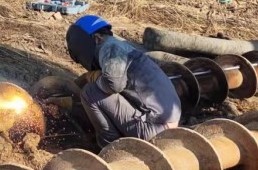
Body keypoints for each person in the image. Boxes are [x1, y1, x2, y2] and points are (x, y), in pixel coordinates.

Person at [66, 14, 182, 148]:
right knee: (100, 89)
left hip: (154, 129)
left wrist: (96, 77)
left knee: (90, 92)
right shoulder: (122, 47)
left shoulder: (109, 48)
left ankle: (110, 148)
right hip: (167, 123)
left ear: (96, 38)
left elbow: (113, 85)